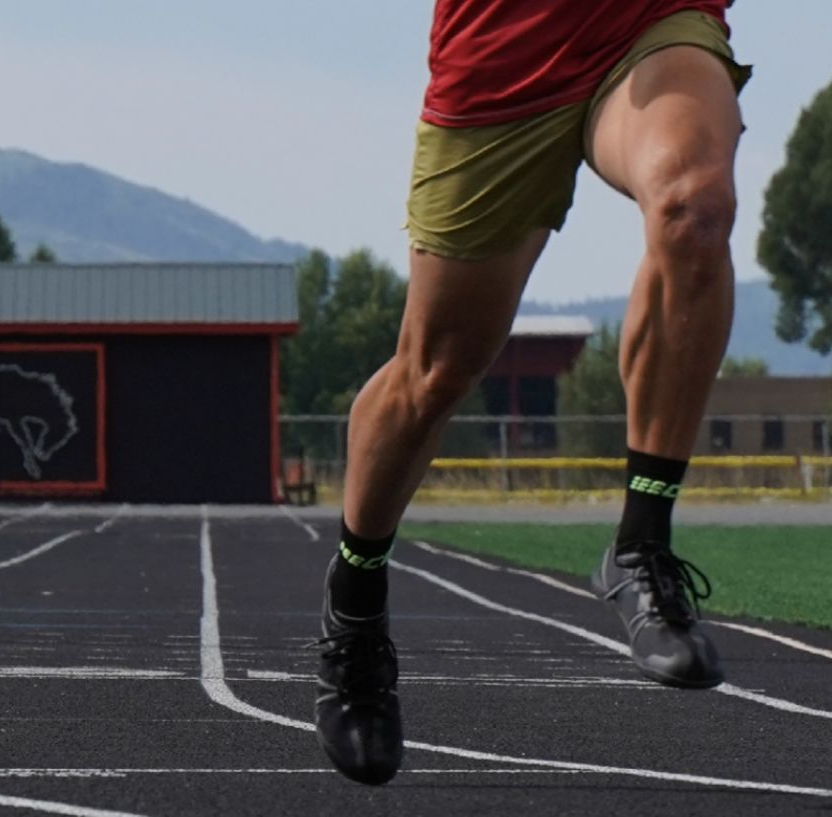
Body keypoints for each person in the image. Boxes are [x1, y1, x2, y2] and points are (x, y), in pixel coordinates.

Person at [313, 0, 751, 786]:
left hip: (649, 24)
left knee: (695, 205)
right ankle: (355, 606)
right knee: (434, 374)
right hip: (504, 55)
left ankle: (640, 545)